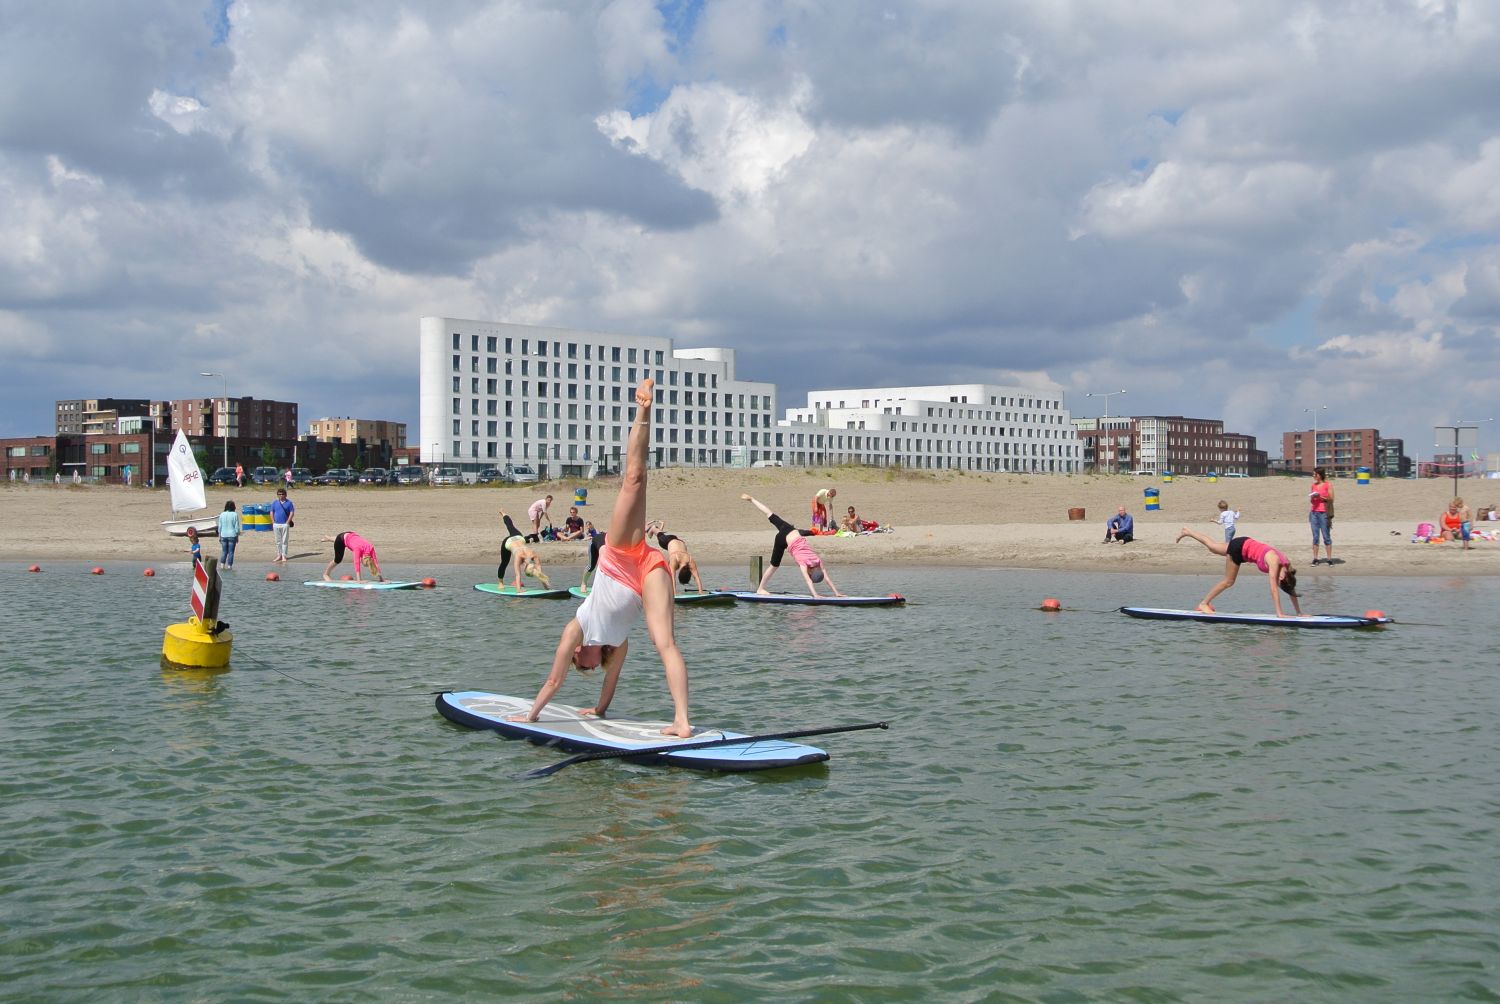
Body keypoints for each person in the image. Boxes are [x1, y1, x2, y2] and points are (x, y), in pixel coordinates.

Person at [510, 379, 692, 737]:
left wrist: (531, 717)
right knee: (665, 643)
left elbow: (553, 679)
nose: (587, 666)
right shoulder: (617, 645)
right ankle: (682, 722)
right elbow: (611, 683)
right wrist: (599, 709)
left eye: (583, 666)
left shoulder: (575, 629)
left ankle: (643, 408)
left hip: (621, 555)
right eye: (589, 668)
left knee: (634, 480)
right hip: (647, 571)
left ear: (578, 653)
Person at [1177, 527, 1302, 617]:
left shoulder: (1288, 568)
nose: (1277, 579)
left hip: (1244, 543)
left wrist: (1299, 612)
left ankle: (1187, 531)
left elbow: (1291, 588)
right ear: (1281, 579)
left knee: (1213, 547)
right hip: (1239, 549)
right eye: (1279, 581)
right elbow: (1273, 589)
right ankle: (1204, 604)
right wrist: (1279, 613)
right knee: (1229, 581)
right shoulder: (1274, 562)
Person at [742, 494, 845, 597]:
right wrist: (816, 595)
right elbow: (809, 581)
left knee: (770, 514)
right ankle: (760, 589)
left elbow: (825, 578)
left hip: (790, 530)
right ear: (811, 573)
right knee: (774, 566)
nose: (809, 576)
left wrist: (836, 593)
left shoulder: (817, 561)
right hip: (782, 539)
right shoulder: (803, 563)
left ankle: (751, 499)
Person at [495, 509, 552, 591]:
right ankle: (500, 582)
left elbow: (539, 573)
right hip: (508, 542)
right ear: (524, 568)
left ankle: (504, 514)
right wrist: (519, 590)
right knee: (504, 563)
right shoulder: (520, 556)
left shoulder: (533, 555)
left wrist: (547, 588)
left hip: (519, 538)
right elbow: (517, 575)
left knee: (510, 526)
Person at [647, 520, 706, 594]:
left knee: (658, 534)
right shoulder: (678, 559)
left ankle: (653, 530)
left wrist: (701, 591)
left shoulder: (690, 560)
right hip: (666, 542)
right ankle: (653, 528)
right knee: (658, 533)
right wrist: (674, 592)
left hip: (678, 540)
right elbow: (673, 577)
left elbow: (696, 577)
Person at [320, 531, 385, 582]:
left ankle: (328, 538)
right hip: (341, 540)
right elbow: (356, 563)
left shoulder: (371, 547)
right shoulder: (358, 549)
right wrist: (359, 580)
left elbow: (375, 563)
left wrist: (381, 579)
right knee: (338, 559)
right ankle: (326, 574)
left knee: (344, 539)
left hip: (350, 535)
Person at [1308, 466, 1334, 565]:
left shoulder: (1328, 485)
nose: (1314, 476)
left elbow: (1331, 499)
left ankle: (1329, 559)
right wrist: (1313, 497)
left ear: (1320, 475)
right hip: (1314, 512)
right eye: (1313, 474)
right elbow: (1312, 501)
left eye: (1315, 474)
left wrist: (1321, 497)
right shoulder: (1313, 486)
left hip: (1324, 513)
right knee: (1315, 536)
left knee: (1326, 536)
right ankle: (1315, 558)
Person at [270, 487, 295, 563]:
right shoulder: (274, 502)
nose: (281, 495)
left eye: (282, 494)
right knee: (278, 541)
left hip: (285, 524)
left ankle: (284, 555)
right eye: (279, 494)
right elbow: (271, 512)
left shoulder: (289, 503)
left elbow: (292, 512)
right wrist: (273, 521)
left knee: (284, 541)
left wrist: (288, 521)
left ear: (285, 495)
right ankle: (279, 555)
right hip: (276, 524)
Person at [216, 500, 241, 569]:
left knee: (224, 551)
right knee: (231, 552)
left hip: (223, 535)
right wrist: (237, 536)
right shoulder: (235, 514)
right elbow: (236, 527)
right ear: (233, 507)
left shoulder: (222, 514)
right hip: (232, 535)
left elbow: (220, 527)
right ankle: (229, 566)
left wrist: (219, 536)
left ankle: (222, 566)